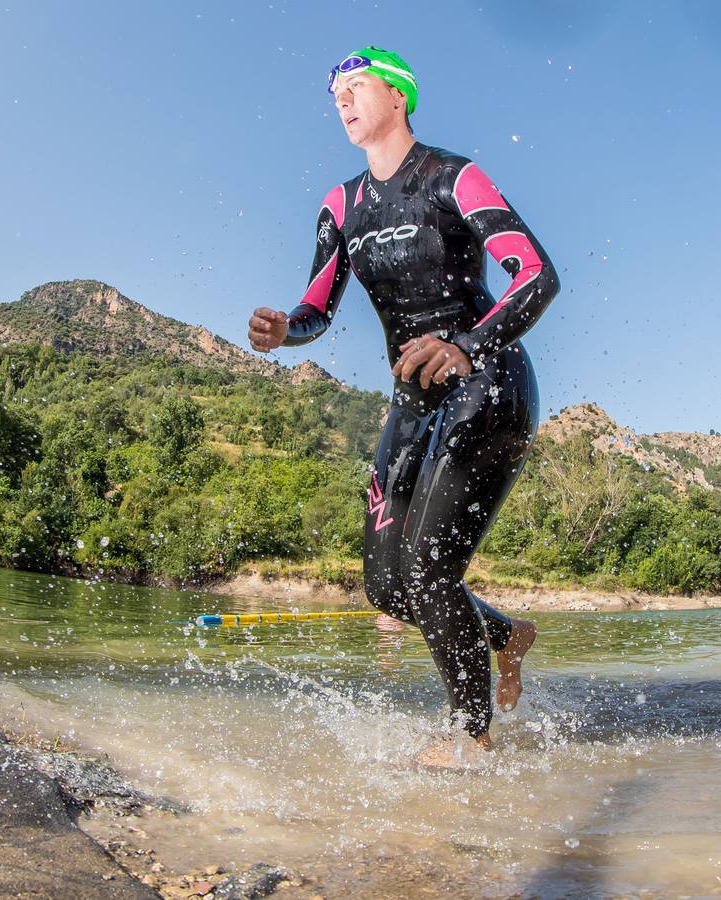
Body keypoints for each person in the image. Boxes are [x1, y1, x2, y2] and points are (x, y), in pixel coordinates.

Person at [248, 46, 558, 764]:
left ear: (398, 94)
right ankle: (507, 637)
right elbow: (316, 306)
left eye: (356, 88)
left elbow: (535, 275)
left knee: (428, 571)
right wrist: (284, 332)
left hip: (488, 381)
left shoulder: (454, 177)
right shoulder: (342, 204)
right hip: (413, 404)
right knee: (388, 588)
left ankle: (470, 737)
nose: (344, 102)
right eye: (336, 97)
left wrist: (466, 345)